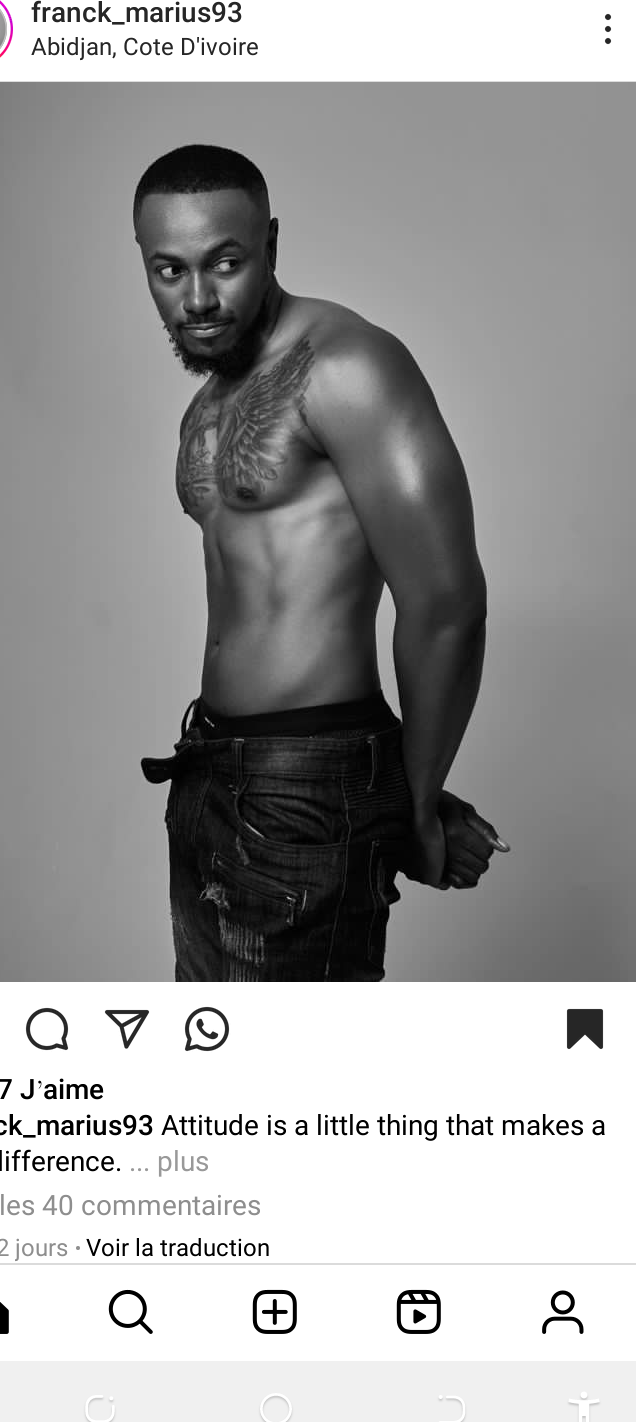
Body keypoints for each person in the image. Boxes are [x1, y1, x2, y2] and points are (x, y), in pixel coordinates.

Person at [137, 144, 508, 981]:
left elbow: (447, 604)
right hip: (210, 771)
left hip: (307, 785)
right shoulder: (210, 401)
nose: (197, 299)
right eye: (169, 270)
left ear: (270, 242)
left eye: (224, 262)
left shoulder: (347, 365)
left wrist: (412, 804)